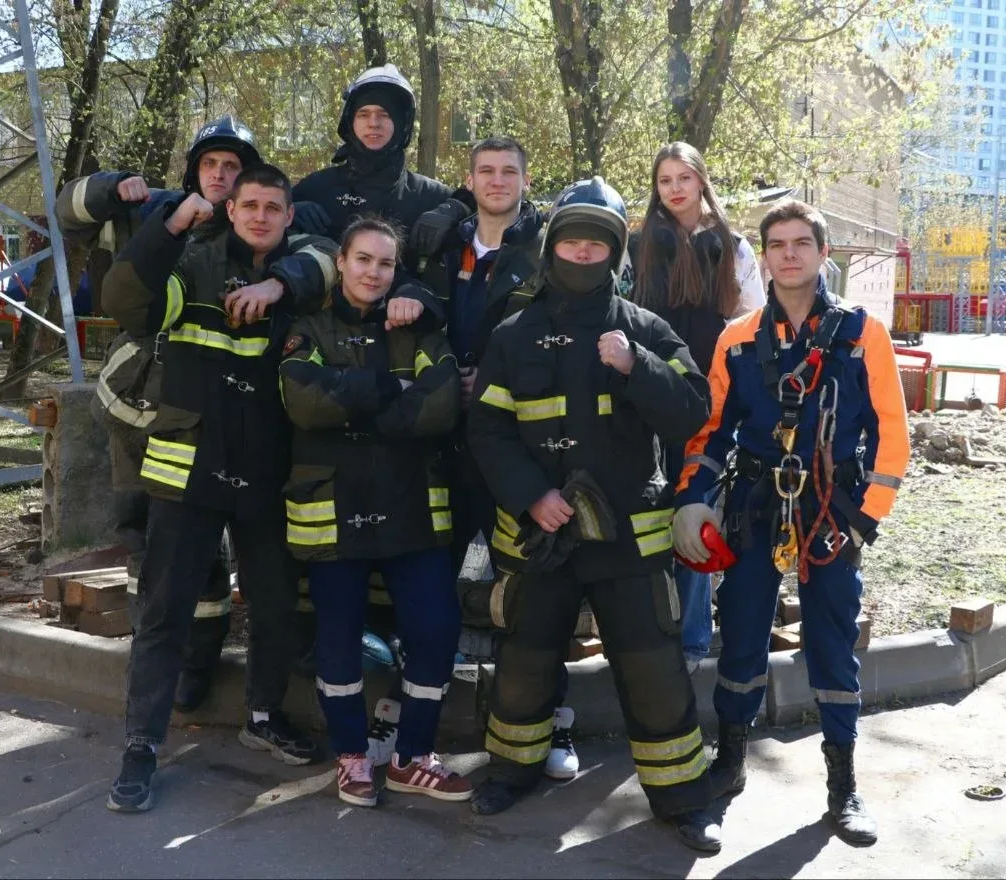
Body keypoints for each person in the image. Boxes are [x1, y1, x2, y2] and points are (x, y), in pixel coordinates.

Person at [466, 176, 722, 853]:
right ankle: (510, 773)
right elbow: (486, 430)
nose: (582, 254)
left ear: (615, 254)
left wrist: (638, 367)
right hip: (541, 535)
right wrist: (531, 495)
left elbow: (693, 412)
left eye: (596, 244)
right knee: (524, 663)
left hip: (628, 543)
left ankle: (683, 798)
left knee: (654, 670)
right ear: (552, 248)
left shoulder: (645, 330)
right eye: (571, 242)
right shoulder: (514, 334)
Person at [100, 163, 339, 813]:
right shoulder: (193, 265)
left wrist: (277, 285)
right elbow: (125, 303)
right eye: (249, 205)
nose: (260, 216)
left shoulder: (304, 273)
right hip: (188, 468)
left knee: (275, 606)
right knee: (164, 612)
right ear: (230, 210)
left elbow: (334, 261)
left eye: (272, 207)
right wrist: (170, 223)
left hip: (267, 472)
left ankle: (263, 717)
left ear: (289, 216)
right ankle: (141, 747)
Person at [672, 198, 910, 846]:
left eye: (801, 243)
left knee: (832, 640)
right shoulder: (737, 339)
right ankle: (729, 761)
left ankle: (842, 784)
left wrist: (862, 522)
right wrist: (693, 498)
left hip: (832, 511)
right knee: (741, 631)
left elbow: (892, 439)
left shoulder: (863, 334)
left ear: (823, 253)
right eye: (777, 244)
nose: (789, 254)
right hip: (754, 506)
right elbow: (710, 433)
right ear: (765, 256)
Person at [60, 116, 260, 712]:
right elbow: (66, 211)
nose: (220, 176)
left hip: (203, 414)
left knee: (202, 549)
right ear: (194, 170)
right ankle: (149, 655)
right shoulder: (152, 210)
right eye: (210, 165)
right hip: (133, 409)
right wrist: (110, 186)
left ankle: (196, 666)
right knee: (140, 538)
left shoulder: (254, 229)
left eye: (232, 167)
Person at [278, 216, 470, 807]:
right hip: (332, 506)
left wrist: (350, 397)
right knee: (338, 637)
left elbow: (442, 405)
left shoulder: (419, 332)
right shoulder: (307, 328)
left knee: (435, 631)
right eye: (363, 259)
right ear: (341, 261)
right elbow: (303, 403)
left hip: (412, 505)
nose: (373, 272)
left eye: (385, 263)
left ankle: (413, 757)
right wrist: (389, 390)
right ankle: (352, 757)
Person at [414, 135, 578, 780]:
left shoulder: (545, 252)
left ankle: (553, 722)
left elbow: (560, 338)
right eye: (486, 170)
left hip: (515, 449)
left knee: (533, 595)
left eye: (510, 171)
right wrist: (440, 381)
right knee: (428, 593)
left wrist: (491, 380)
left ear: (525, 180)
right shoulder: (438, 246)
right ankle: (410, 725)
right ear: (471, 178)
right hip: (439, 447)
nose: (498, 181)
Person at [628, 141, 765, 674]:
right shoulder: (639, 245)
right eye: (665, 180)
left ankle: (691, 639)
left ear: (701, 180)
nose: (675, 189)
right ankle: (645, 630)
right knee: (649, 509)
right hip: (650, 392)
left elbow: (753, 321)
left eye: (683, 178)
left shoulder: (734, 247)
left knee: (697, 506)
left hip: (712, 399)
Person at [290, 63, 472, 266]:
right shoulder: (317, 188)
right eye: (363, 114)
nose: (373, 123)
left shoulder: (429, 196)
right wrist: (287, 211)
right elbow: (262, 218)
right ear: (350, 121)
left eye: (384, 114)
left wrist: (458, 208)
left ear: (402, 123)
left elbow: (492, 207)